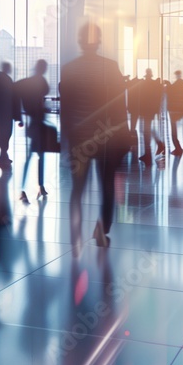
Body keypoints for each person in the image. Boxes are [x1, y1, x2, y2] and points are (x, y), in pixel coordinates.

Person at [60, 24, 129, 248]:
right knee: (107, 184)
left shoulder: (69, 69)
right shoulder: (109, 67)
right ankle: (102, 229)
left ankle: (74, 232)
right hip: (105, 140)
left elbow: (67, 110)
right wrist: (123, 134)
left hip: (80, 141)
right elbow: (119, 106)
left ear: (80, 41)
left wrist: (67, 139)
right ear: (99, 41)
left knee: (78, 188)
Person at [15, 59, 50, 202]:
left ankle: (27, 188)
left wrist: (20, 115)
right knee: (38, 156)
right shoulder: (40, 82)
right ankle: (35, 186)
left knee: (33, 156)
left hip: (34, 122)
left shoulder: (28, 82)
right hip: (37, 122)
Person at [137, 68, 165, 165]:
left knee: (146, 131)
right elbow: (157, 97)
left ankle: (149, 153)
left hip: (146, 110)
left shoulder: (144, 84)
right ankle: (156, 146)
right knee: (147, 130)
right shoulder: (154, 84)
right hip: (150, 110)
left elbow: (142, 98)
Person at [0, 62, 20, 169]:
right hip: (7, 113)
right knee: (6, 134)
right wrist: (17, 116)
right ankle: (3, 155)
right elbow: (15, 99)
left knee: (1, 134)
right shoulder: (9, 81)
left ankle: (3, 155)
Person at [166, 70, 183, 157]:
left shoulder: (174, 85)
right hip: (181, 109)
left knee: (173, 130)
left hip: (174, 110)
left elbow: (169, 95)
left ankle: (178, 147)